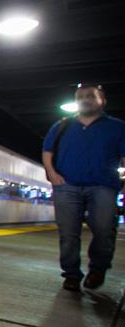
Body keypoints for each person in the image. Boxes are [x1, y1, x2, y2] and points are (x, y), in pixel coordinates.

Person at [42, 83, 125, 292]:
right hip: (66, 186)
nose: (85, 99)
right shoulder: (61, 126)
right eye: (81, 96)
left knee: (103, 229)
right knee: (68, 233)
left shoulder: (117, 127)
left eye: (91, 96)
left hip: (103, 185)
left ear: (102, 101)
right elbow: (47, 151)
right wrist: (52, 173)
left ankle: (98, 268)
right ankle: (71, 274)